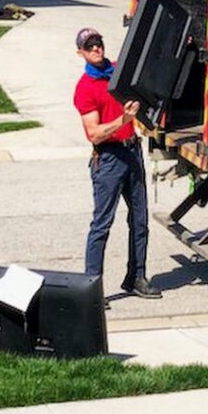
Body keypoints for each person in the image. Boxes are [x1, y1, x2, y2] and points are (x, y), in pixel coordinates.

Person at [73, 27, 161, 299]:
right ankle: (92, 287)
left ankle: (136, 277)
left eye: (98, 43)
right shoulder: (85, 88)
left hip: (132, 151)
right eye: (89, 46)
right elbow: (94, 133)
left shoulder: (117, 72)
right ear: (81, 53)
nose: (96, 48)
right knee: (102, 224)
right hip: (108, 158)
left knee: (140, 220)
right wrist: (124, 120)